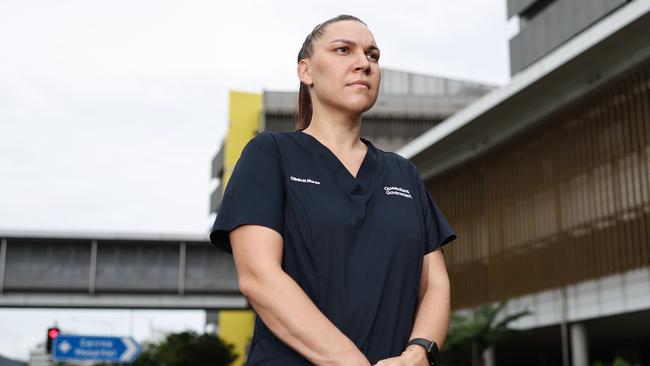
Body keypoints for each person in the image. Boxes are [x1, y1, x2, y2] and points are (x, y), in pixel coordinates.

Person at [209, 14, 457, 366]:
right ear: (306, 71)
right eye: (344, 50)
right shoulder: (271, 154)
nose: (363, 64)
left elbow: (435, 284)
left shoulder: (404, 174)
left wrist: (418, 354)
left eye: (373, 56)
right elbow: (259, 277)